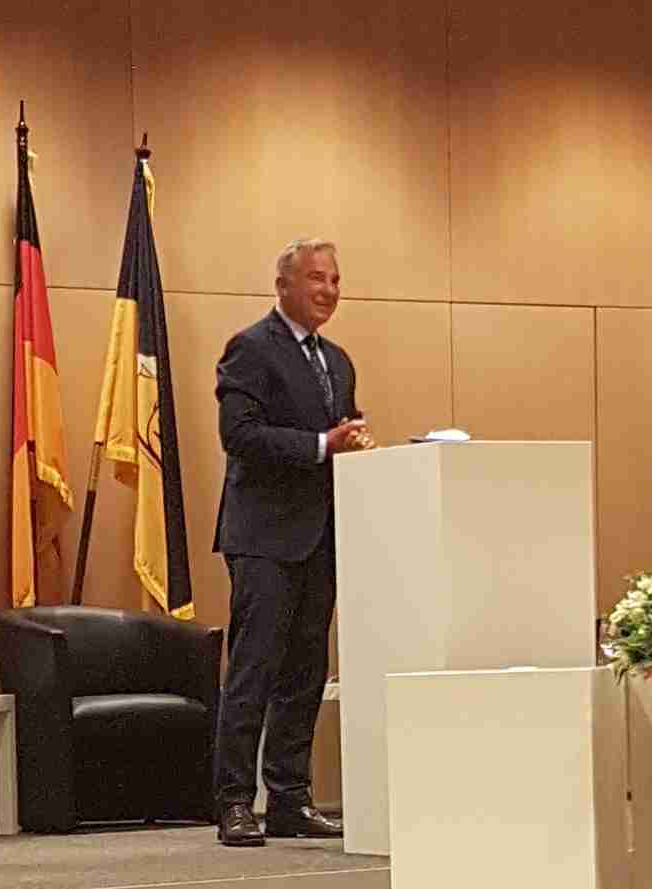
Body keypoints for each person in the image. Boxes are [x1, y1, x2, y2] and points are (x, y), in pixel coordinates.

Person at [211, 238, 374, 847]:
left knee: (306, 672)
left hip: (321, 536)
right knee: (254, 669)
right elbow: (240, 435)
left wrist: (352, 443)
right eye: (316, 278)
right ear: (283, 285)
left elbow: (339, 432)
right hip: (263, 537)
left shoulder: (338, 360)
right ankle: (234, 801)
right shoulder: (251, 348)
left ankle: (289, 799)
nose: (329, 290)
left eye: (335, 279)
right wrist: (321, 445)